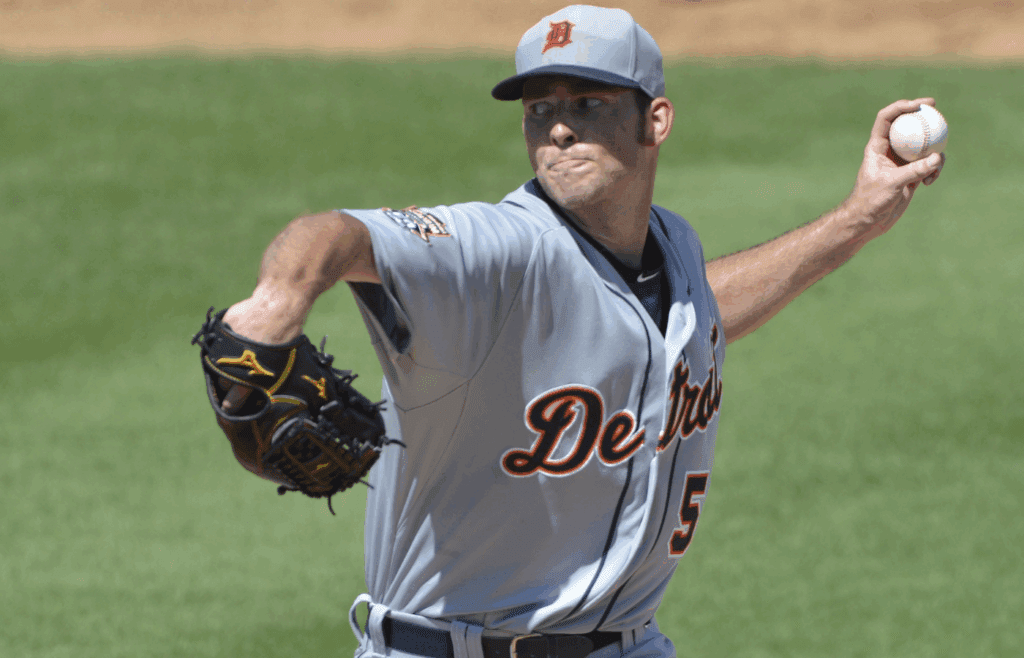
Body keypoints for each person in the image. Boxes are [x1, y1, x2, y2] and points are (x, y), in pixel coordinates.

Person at [217, 5, 944, 658]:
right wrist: (278, 302)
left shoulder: (673, 248)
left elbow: (681, 321)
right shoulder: (497, 250)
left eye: (588, 103)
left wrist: (857, 220)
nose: (559, 126)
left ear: (654, 119)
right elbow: (335, 234)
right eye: (540, 110)